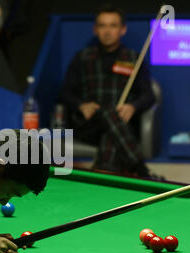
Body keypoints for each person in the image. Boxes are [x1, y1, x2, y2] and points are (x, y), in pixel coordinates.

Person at [59, 4, 156, 177]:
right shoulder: (82, 58)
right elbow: (65, 92)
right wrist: (81, 105)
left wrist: (133, 107)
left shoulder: (134, 58)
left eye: (113, 25)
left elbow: (149, 96)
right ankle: (141, 169)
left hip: (120, 127)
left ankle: (99, 182)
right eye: (102, 25)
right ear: (95, 29)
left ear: (123, 29)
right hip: (89, 126)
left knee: (110, 137)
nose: (107, 31)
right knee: (108, 114)